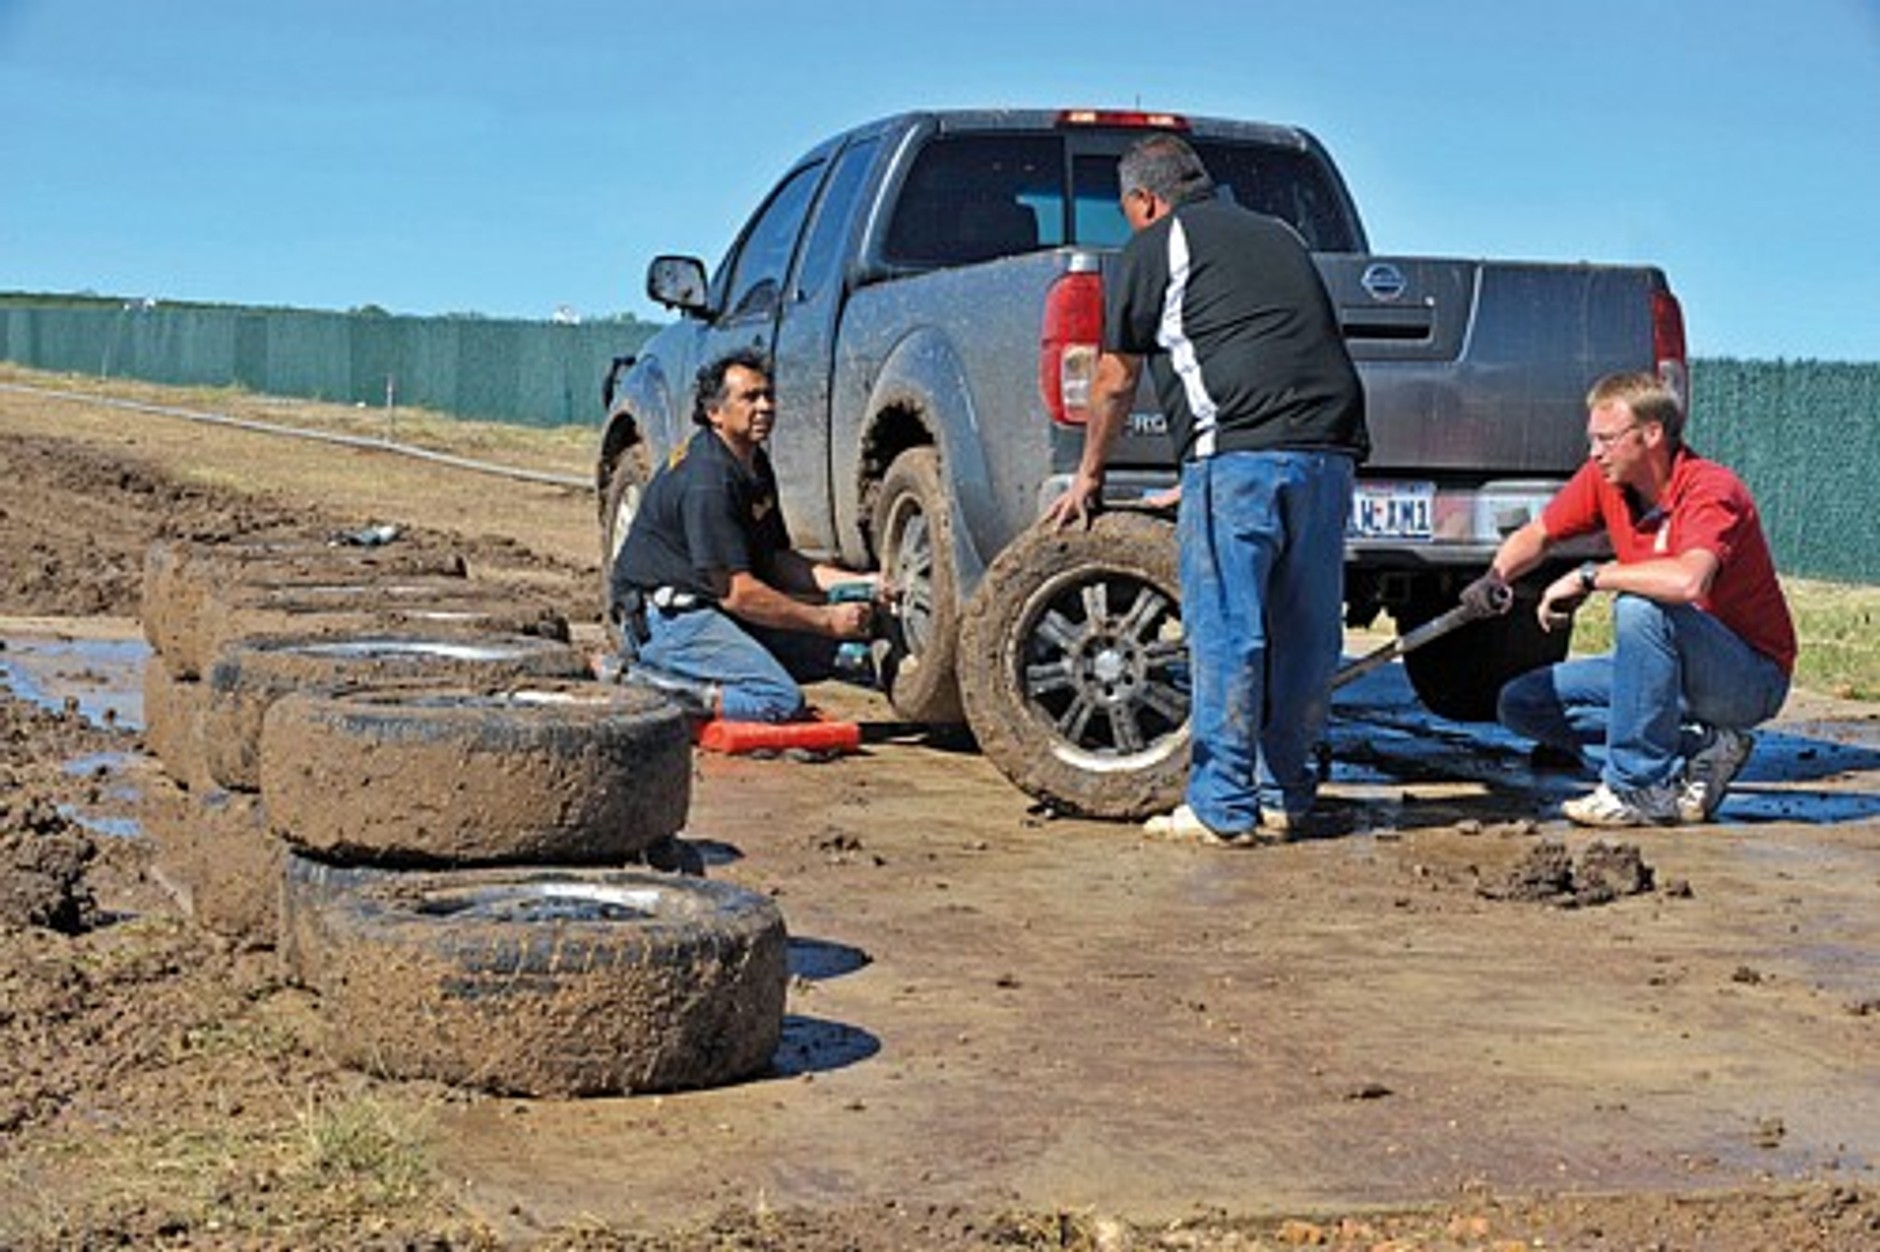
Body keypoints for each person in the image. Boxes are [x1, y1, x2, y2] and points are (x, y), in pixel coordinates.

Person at [1046, 132, 1370, 844]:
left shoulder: (1155, 245)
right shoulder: (1279, 236)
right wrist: (1197, 485)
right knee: (1307, 634)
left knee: (1228, 628)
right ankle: (1288, 794)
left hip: (1240, 457)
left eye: (1128, 209)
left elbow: (1115, 378)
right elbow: (1261, 344)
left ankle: (1223, 806)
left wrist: (1091, 474)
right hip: (1327, 452)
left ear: (1144, 200)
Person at [1461, 371, 1796, 827]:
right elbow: (1539, 533)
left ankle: (1638, 788)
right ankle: (1705, 750)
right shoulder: (1606, 481)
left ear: (1651, 434)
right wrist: (1494, 576)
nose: (1594, 452)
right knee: (1524, 703)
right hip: (1668, 671)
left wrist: (1592, 577)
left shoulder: (1711, 490)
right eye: (1592, 440)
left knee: (1640, 605)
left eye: (1606, 439)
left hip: (1746, 679)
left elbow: (1688, 583)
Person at [609, 349, 885, 721]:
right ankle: (643, 685)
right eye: (750, 397)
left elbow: (777, 560)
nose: (765, 406)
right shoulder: (708, 480)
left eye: (769, 395)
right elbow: (738, 594)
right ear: (714, 413)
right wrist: (827, 620)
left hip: (709, 608)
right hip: (666, 619)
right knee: (777, 699)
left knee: (846, 658)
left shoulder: (752, 461)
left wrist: (863, 583)